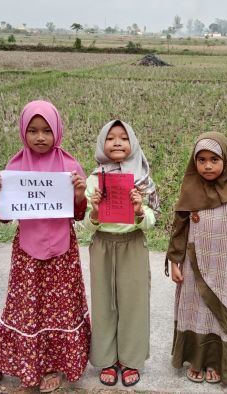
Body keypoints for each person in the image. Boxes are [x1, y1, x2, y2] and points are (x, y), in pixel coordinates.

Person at [0, 100, 91, 394]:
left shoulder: (69, 167)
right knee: (23, 308)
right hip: (27, 252)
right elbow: (5, 215)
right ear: (24, 132)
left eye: (46, 130)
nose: (39, 137)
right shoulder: (14, 167)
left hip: (62, 252)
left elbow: (78, 213)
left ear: (57, 131)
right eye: (33, 130)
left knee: (60, 310)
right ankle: (2, 366)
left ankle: (52, 366)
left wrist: (78, 193)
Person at [166, 132, 227, 385]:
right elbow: (179, 229)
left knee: (217, 313)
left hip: (222, 265)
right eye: (201, 160)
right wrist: (175, 261)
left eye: (214, 159)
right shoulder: (189, 191)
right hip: (193, 265)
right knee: (193, 310)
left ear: (226, 159)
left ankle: (214, 361)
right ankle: (196, 359)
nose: (208, 165)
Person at [82, 120, 159, 387]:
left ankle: (130, 360)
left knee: (133, 304)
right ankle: (106, 359)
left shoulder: (142, 178)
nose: (117, 142)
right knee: (104, 303)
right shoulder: (94, 179)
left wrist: (139, 210)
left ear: (133, 143)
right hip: (102, 245)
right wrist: (93, 210)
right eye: (111, 138)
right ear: (102, 143)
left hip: (133, 244)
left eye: (123, 138)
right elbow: (86, 224)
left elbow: (152, 219)